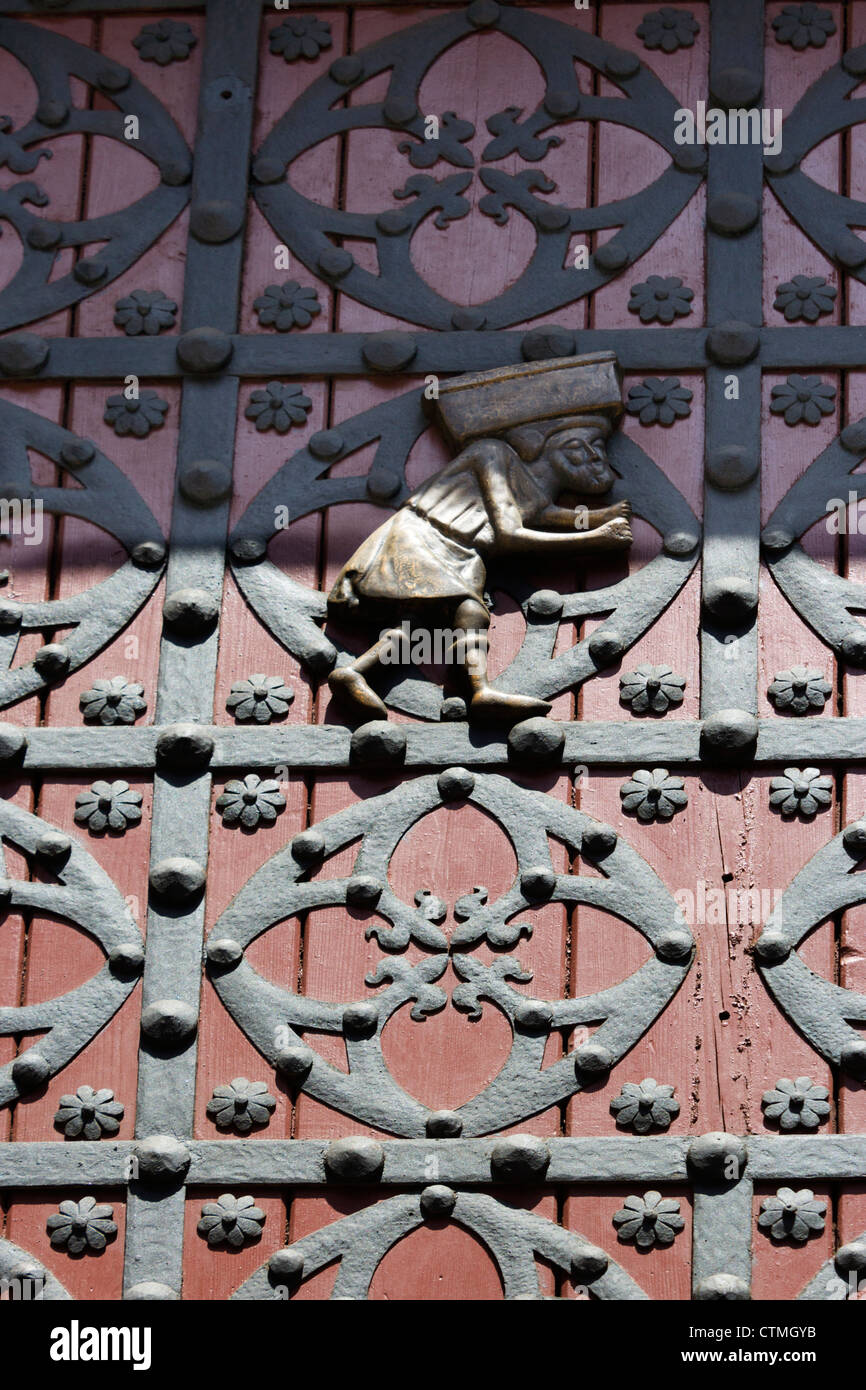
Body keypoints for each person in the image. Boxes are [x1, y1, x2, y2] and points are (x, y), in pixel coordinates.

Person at [327, 352, 632, 722]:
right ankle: (477, 690)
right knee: (464, 610)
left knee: (423, 624)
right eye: (583, 445)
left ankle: (360, 673)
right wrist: (595, 537)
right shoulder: (492, 452)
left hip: (460, 549)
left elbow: (542, 514)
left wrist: (598, 516)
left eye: (597, 446)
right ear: (549, 445)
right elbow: (509, 532)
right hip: (425, 536)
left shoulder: (533, 487)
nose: (594, 456)